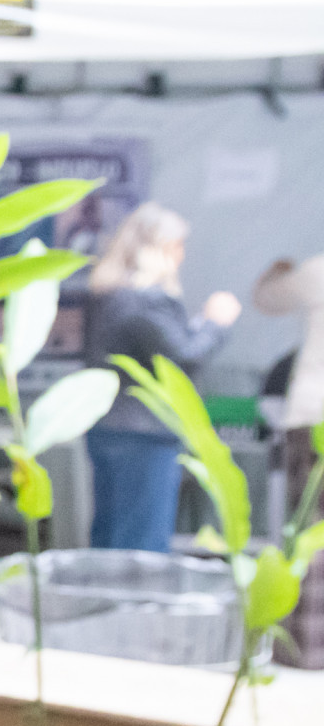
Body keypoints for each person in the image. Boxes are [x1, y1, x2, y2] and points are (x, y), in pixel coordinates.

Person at [83, 202, 239, 553]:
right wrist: (216, 323)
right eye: (177, 247)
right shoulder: (145, 300)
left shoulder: (109, 295)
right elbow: (181, 357)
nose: (181, 256)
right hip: (145, 433)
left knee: (109, 536)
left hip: (108, 427)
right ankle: (134, 607)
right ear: (158, 247)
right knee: (141, 545)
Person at [255, 253, 324, 667]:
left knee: (311, 534)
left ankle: (306, 648)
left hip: (314, 419)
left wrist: (275, 271)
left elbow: (267, 298)